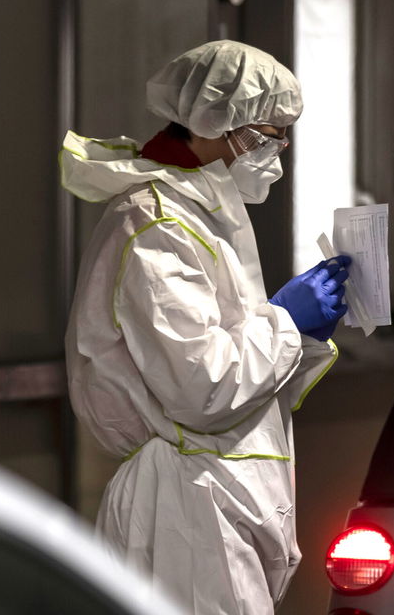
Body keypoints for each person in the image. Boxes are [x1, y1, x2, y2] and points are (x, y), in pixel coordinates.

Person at [60, 40, 351, 615]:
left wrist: (303, 332)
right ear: (215, 122)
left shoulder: (204, 215)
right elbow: (205, 389)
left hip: (217, 500)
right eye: (268, 134)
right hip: (186, 510)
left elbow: (248, 389)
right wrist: (287, 320)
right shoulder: (155, 222)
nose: (278, 150)